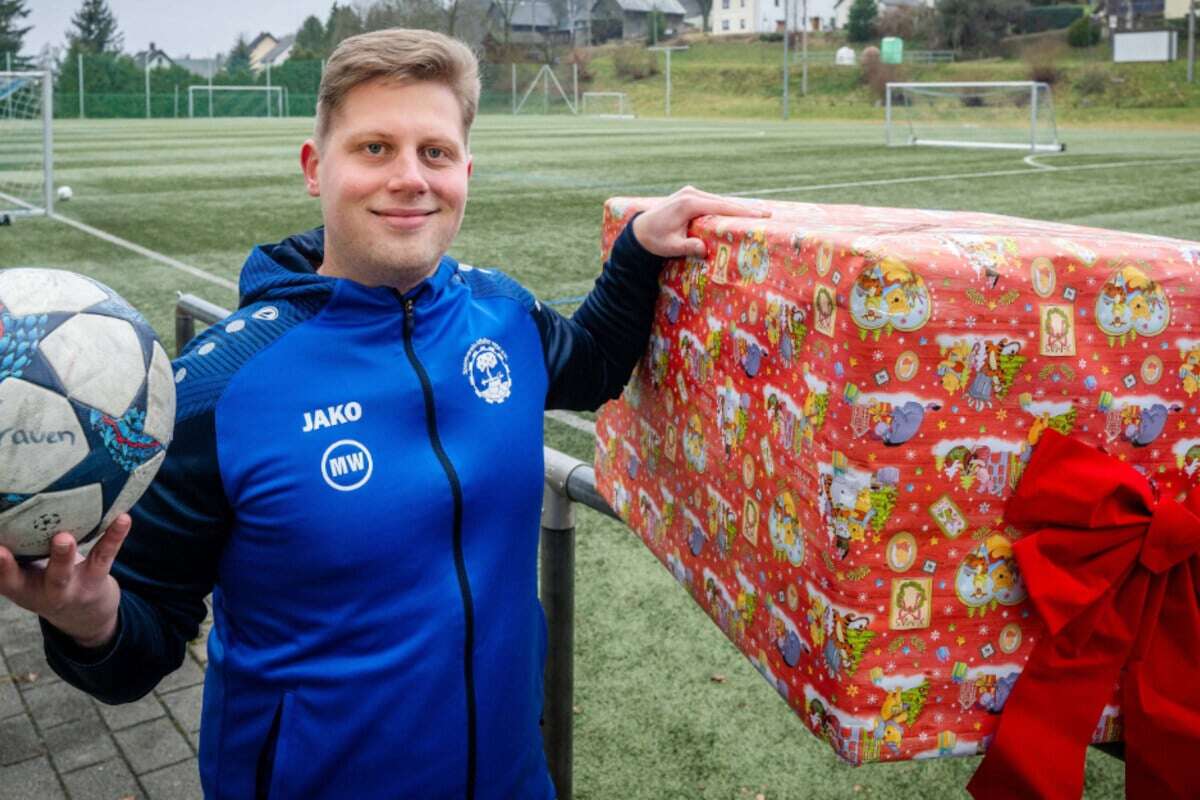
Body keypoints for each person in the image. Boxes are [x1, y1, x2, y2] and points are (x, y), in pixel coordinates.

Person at [0, 28, 767, 800]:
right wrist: (90, 618)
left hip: (512, 781)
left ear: (466, 171)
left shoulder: (504, 316)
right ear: (314, 168)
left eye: (434, 153)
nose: (409, 178)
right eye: (374, 148)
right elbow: (143, 646)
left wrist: (636, 249)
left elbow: (595, 363)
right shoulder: (215, 392)